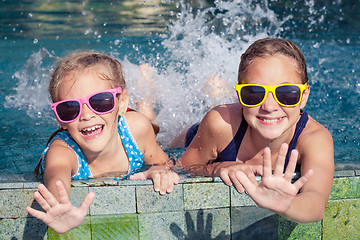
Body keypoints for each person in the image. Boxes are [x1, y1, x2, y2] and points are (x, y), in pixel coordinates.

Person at [177, 38, 334, 223]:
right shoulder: (219, 124)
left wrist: (286, 205)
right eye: (253, 93)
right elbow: (179, 168)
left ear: (303, 96)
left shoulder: (314, 138)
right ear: (239, 95)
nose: (269, 106)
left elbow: (316, 203)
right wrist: (216, 168)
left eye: (286, 94)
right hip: (201, 137)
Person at [26, 52, 179, 234]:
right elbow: (55, 175)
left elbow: (165, 163)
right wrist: (60, 205)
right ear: (61, 120)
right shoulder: (62, 150)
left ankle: (145, 91)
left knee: (152, 122)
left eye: (100, 101)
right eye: (70, 108)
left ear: (121, 103)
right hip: (114, 122)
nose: (86, 115)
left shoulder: (135, 129)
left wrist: (158, 170)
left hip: (130, 121)